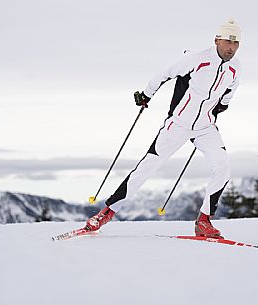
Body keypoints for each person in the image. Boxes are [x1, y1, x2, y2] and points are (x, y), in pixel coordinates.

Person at [86, 19, 242, 237]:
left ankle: (204, 221)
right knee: (146, 167)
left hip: (205, 127)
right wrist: (147, 95)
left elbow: (227, 96)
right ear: (217, 40)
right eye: (227, 41)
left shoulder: (235, 69)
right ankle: (106, 213)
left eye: (235, 43)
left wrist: (219, 107)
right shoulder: (196, 59)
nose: (231, 47)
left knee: (223, 168)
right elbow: (164, 73)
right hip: (177, 124)